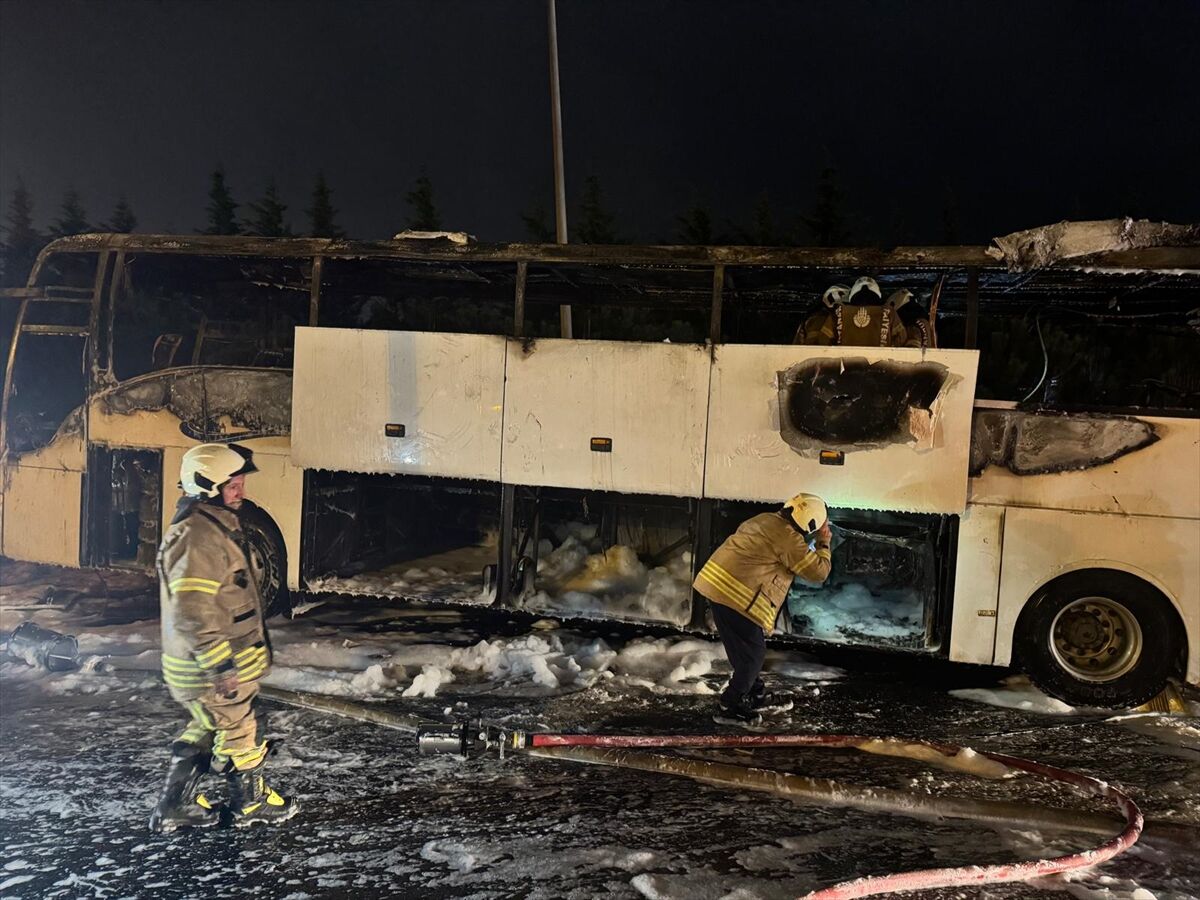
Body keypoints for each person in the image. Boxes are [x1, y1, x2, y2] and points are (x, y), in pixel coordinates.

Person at [148, 443, 298, 831]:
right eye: (232, 484)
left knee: (208, 725)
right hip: (210, 669)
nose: (241, 491)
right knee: (238, 729)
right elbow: (193, 611)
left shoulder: (210, 525)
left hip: (205, 667)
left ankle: (176, 804)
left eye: (240, 482)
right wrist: (220, 665)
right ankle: (251, 804)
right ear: (206, 486)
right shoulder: (198, 536)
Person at [694, 493, 833, 724]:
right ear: (811, 523)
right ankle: (728, 705)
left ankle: (754, 693)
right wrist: (823, 542)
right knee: (752, 657)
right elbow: (819, 572)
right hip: (735, 595)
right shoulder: (788, 538)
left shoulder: (766, 519)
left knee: (745, 651)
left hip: (718, 587)